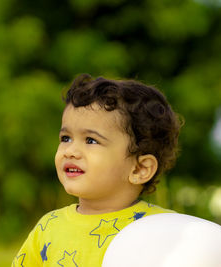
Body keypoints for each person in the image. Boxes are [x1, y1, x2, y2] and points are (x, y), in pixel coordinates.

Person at [12, 73, 182, 266]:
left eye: (91, 140)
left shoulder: (167, 229)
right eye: (66, 138)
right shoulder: (48, 228)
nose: (71, 151)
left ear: (140, 169)